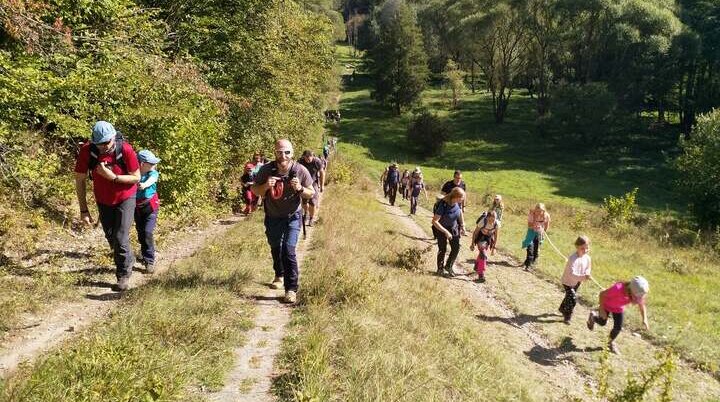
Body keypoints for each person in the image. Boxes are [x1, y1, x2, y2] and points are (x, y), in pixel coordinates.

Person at [74, 121, 141, 291]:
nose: (104, 146)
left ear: (113, 137)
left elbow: (136, 177)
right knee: (111, 237)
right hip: (103, 199)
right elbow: (80, 180)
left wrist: (113, 177)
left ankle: (123, 275)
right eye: (100, 143)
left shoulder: (125, 149)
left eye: (107, 142)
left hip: (126, 197)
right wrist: (84, 210)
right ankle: (128, 258)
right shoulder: (87, 151)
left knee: (120, 236)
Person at [251, 139, 314, 304]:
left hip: (292, 216)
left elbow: (311, 193)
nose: (283, 155)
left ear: (292, 153)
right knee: (275, 246)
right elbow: (254, 189)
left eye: (286, 152)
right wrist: (265, 186)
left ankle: (291, 289)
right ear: (275, 153)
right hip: (272, 216)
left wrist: (300, 188)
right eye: (279, 152)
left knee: (288, 250)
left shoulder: (300, 170)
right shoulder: (266, 169)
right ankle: (279, 274)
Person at [587, 276, 650, 354]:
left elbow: (641, 305)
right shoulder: (617, 289)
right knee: (602, 322)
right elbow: (602, 294)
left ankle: (609, 342)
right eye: (635, 297)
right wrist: (602, 309)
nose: (636, 300)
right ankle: (593, 317)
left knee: (618, 327)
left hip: (618, 308)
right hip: (606, 305)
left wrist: (645, 319)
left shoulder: (636, 293)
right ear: (630, 290)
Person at [135, 150, 161, 274]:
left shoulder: (153, 173)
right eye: (151, 163)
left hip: (151, 207)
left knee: (147, 232)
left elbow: (152, 180)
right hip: (137, 208)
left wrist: (144, 185)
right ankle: (143, 252)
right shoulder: (133, 173)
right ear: (141, 164)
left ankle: (149, 260)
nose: (154, 165)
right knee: (140, 233)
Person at [432, 187, 466, 277]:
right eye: (461, 198)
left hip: (453, 227)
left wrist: (462, 225)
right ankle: (440, 268)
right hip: (441, 228)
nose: (462, 200)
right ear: (455, 196)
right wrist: (445, 232)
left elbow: (460, 212)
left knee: (456, 247)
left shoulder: (457, 203)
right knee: (442, 249)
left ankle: (448, 266)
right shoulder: (443, 204)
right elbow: (435, 221)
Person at [559, 236, 592, 323]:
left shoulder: (587, 258)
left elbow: (588, 267)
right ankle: (567, 315)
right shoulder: (572, 258)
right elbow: (572, 274)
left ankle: (562, 308)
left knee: (569, 296)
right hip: (568, 281)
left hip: (577, 282)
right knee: (573, 298)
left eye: (587, 248)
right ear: (577, 247)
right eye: (582, 248)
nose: (585, 250)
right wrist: (584, 277)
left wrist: (587, 273)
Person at [470, 210, 498, 283]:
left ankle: (477, 265)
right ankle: (481, 275)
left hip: (488, 239)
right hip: (480, 237)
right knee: (483, 254)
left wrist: (494, 247)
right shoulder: (482, 221)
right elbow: (475, 233)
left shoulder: (496, 224)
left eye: (493, 219)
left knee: (482, 253)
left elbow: (496, 235)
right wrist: (472, 244)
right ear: (487, 217)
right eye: (490, 219)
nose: (491, 221)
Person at [298, 150, 325, 226]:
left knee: (312, 202)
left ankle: (311, 218)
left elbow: (322, 173)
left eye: (309, 157)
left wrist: (322, 185)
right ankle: (306, 213)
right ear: (303, 157)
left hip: (314, 183)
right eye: (306, 157)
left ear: (313, 156)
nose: (308, 159)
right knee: (304, 202)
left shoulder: (317, 161)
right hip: (304, 183)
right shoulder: (300, 161)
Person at [522, 203, 550, 271]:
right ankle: (529, 264)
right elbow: (529, 225)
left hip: (539, 233)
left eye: (540, 211)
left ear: (543, 211)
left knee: (536, 249)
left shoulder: (546, 216)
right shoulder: (531, 214)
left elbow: (546, 225)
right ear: (535, 210)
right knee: (530, 247)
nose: (538, 213)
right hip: (531, 232)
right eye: (537, 211)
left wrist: (543, 232)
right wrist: (536, 226)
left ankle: (531, 262)